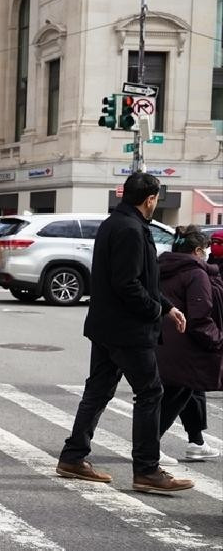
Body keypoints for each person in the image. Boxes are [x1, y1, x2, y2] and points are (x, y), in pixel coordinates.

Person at [56, 172, 193, 493]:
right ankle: (147, 469)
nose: (156, 203)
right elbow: (128, 284)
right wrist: (155, 310)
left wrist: (168, 306)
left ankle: (73, 456)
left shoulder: (117, 223)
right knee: (151, 393)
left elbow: (142, 280)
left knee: (99, 390)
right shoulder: (130, 229)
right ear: (149, 199)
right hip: (127, 330)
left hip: (107, 326)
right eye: (156, 199)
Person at [155, 225, 222, 461]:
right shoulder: (196, 273)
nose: (206, 254)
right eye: (204, 250)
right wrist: (217, 340)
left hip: (162, 342)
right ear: (196, 250)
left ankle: (196, 441)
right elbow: (200, 317)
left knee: (183, 392)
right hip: (185, 346)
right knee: (174, 395)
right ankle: (149, 448)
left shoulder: (161, 267)